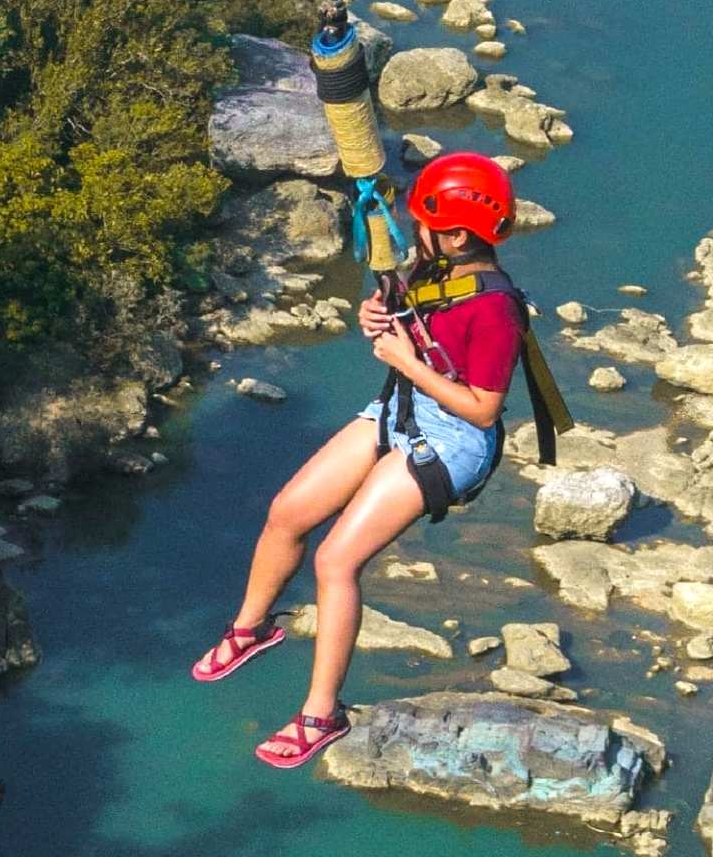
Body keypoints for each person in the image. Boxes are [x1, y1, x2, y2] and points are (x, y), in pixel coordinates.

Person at [190, 152, 529, 768]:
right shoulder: (436, 267)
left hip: (451, 440)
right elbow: (397, 315)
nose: (415, 229)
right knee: (288, 510)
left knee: (335, 560)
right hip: (403, 406)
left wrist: (404, 362)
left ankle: (322, 713)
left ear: (455, 234)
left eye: (424, 221)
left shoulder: (496, 310)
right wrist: (376, 315)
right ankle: (253, 627)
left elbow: (483, 409)